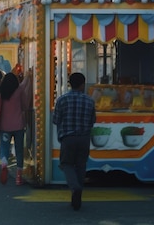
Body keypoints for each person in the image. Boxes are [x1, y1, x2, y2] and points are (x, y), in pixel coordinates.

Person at [52, 72, 95, 211]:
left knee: (67, 164)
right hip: (84, 138)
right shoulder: (90, 101)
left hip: (68, 138)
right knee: (81, 165)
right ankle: (78, 194)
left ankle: (74, 188)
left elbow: (56, 120)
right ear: (83, 84)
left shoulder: (62, 100)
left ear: (70, 83)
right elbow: (92, 121)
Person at [0, 70, 32, 186]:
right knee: (19, 150)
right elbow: (25, 106)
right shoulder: (19, 90)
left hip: (4, 127)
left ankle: (4, 165)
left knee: (5, 148)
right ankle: (19, 177)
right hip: (18, 125)